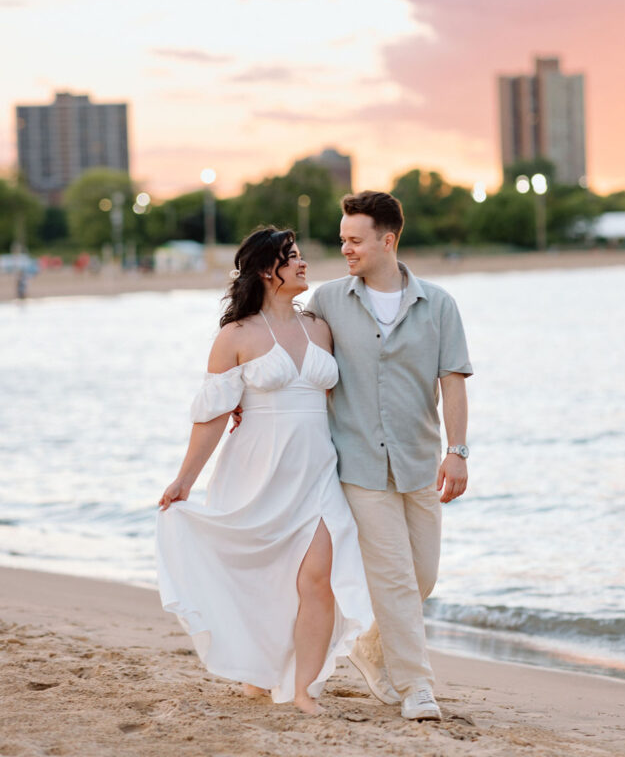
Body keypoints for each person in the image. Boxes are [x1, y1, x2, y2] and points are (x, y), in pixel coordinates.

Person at [156, 227, 373, 715]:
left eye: (299, 256)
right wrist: (185, 479)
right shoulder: (236, 335)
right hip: (257, 469)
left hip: (317, 470)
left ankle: (304, 691)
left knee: (318, 578)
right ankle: (258, 666)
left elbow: (346, 398)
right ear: (263, 270)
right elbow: (213, 414)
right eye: (291, 258)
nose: (303, 264)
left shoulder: (321, 327)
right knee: (260, 577)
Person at [308, 190, 472, 722]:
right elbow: (291, 352)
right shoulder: (328, 300)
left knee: (423, 576)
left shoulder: (439, 304)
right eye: (342, 240)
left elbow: (453, 383)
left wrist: (458, 451)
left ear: (388, 239)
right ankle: (416, 687)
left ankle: (370, 649)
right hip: (357, 463)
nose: (346, 249)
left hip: (420, 462)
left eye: (355, 240)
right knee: (397, 578)